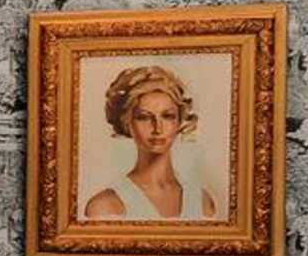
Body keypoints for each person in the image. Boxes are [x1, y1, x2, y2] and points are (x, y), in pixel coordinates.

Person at [80, 62, 220, 222]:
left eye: (167, 116)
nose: (157, 128)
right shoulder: (105, 206)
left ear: (179, 122)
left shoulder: (202, 202)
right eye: (144, 117)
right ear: (127, 123)